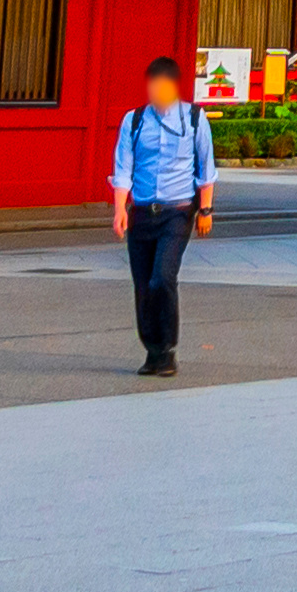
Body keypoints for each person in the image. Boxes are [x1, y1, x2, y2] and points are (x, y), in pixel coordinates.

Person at [111, 53, 220, 377]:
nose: (157, 92)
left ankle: (167, 349)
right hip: (142, 212)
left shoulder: (195, 119)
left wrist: (206, 209)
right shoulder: (134, 120)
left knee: (162, 278)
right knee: (143, 285)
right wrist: (120, 209)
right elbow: (123, 169)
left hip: (177, 212)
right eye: (152, 86)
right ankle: (153, 351)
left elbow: (206, 166)